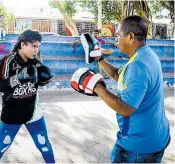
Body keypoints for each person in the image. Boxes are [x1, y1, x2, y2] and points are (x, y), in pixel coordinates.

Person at [71, 15, 170, 163]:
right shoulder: (146, 54)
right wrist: (99, 58)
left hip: (139, 145)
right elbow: (120, 75)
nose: (116, 40)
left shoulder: (138, 65)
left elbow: (126, 109)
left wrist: (97, 87)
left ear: (130, 37)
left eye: (118, 35)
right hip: (155, 135)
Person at [0, 29, 55, 163]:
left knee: (44, 145)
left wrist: (44, 80)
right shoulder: (8, 61)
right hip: (11, 113)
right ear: (23, 44)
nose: (36, 50)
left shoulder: (36, 61)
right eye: (34, 46)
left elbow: (38, 82)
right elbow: (1, 86)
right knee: (1, 147)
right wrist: (20, 77)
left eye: (38, 47)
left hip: (33, 112)